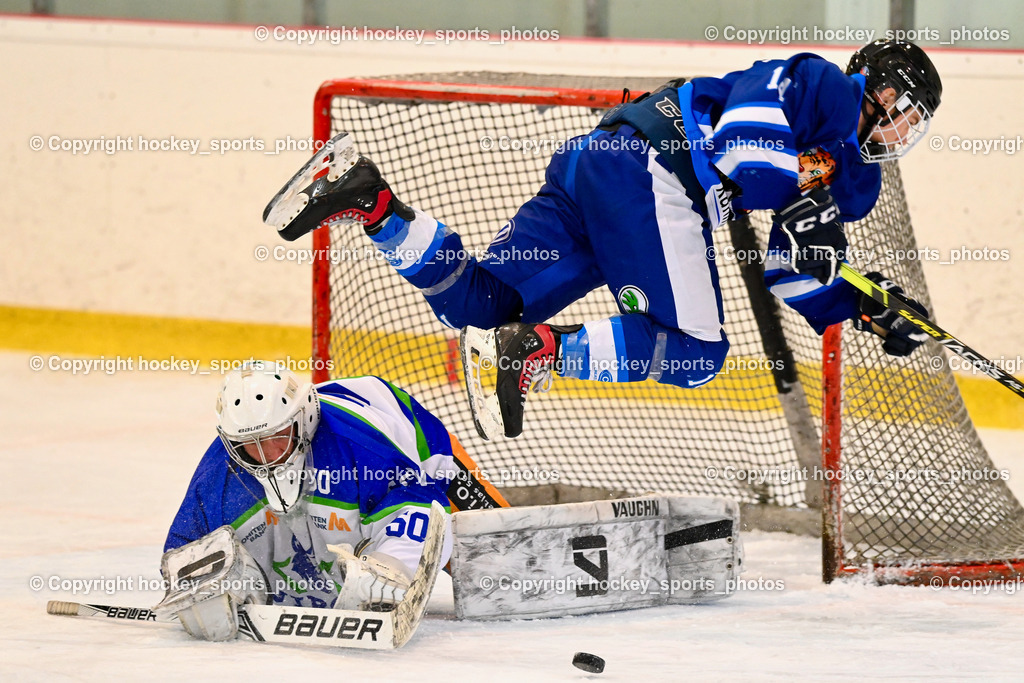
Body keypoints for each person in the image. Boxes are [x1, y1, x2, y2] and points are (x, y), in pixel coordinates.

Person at [264, 39, 940, 438]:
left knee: (481, 304)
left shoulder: (853, 179)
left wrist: (861, 306)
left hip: (600, 166)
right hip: (653, 167)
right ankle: (544, 350)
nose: (904, 132)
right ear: (876, 88)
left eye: (917, 124)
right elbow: (741, 152)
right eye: (905, 112)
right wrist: (801, 198)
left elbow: (790, 264)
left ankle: (370, 200)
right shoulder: (823, 87)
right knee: (698, 353)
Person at [155, 360, 502, 640]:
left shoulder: (359, 447)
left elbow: (423, 502)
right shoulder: (218, 473)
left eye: (277, 436)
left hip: (422, 452)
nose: (268, 454)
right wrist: (201, 590)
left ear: (302, 419)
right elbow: (183, 550)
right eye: (252, 444)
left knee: (492, 565)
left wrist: (392, 566)